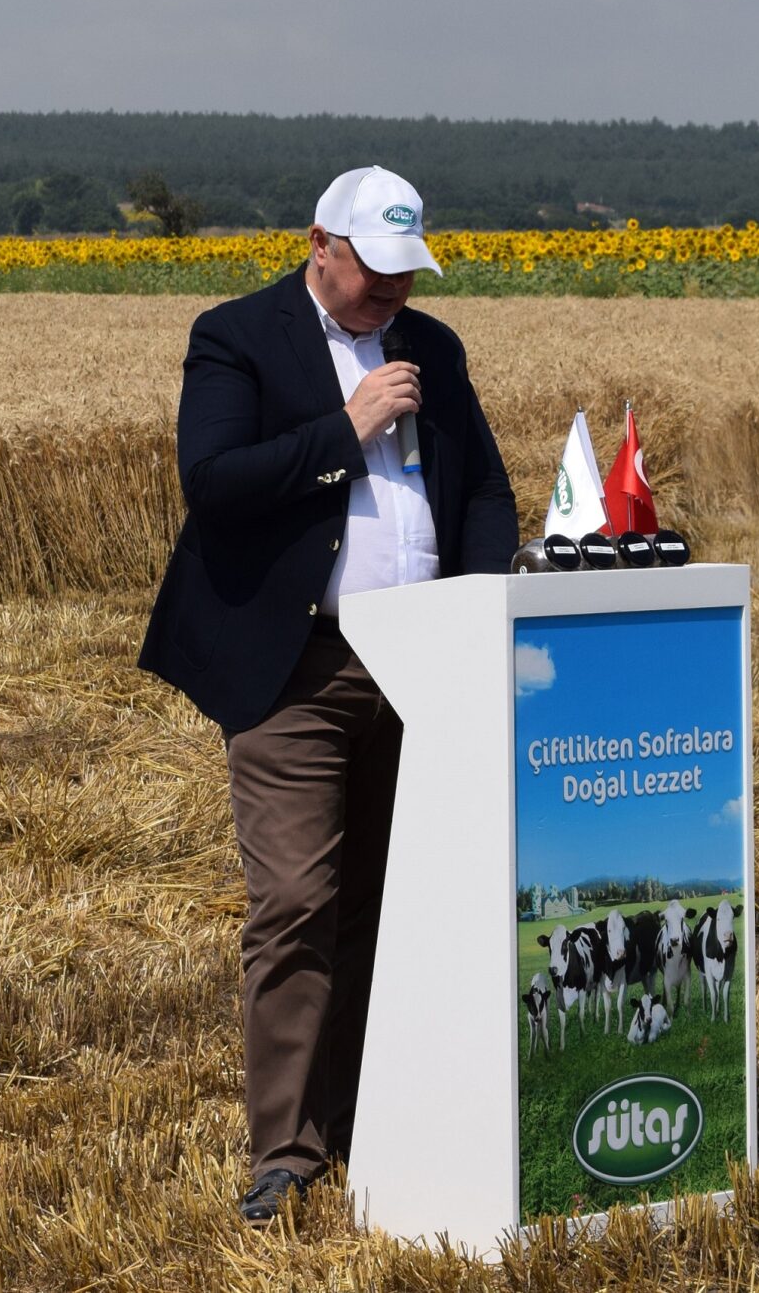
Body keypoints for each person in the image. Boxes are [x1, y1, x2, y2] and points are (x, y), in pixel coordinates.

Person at [139, 166, 518, 1224]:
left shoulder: (430, 347)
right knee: (298, 903)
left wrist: (480, 608)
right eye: (375, 272)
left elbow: (483, 490)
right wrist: (344, 430)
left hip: (424, 662)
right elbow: (211, 482)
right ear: (320, 244)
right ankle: (287, 1149)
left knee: (394, 902)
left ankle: (370, 1113)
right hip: (297, 668)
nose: (393, 292)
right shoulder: (237, 335)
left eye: (409, 272)